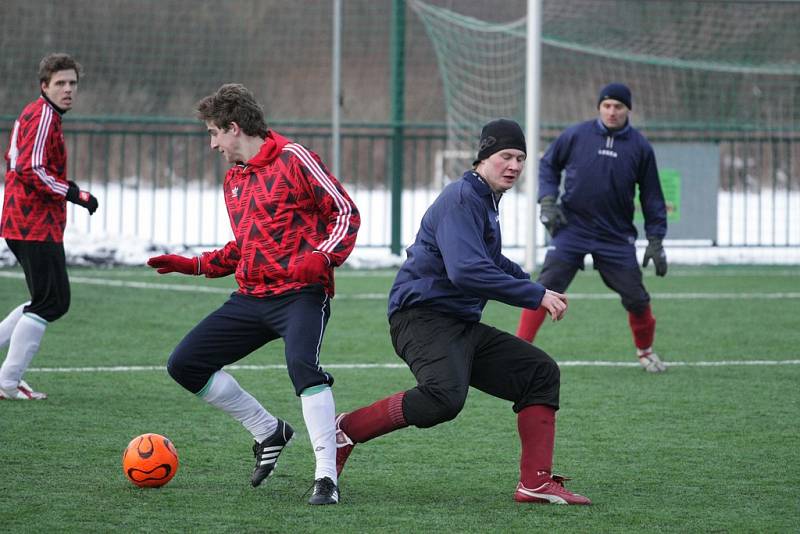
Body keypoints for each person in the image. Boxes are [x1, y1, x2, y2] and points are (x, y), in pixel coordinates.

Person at [334, 119, 591, 505]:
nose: (515, 165)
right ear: (484, 157)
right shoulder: (461, 198)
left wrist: (535, 286)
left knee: (539, 373)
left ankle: (535, 483)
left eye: (520, 158)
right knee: (444, 398)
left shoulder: (483, 201)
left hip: (459, 323)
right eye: (506, 155)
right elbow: (467, 270)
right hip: (420, 317)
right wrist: (533, 296)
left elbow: (489, 259)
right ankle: (345, 430)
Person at [146, 84, 359, 505]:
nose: (213, 144)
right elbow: (246, 246)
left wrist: (323, 257)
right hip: (251, 297)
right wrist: (195, 265)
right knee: (185, 364)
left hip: (301, 294)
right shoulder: (234, 180)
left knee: (303, 368)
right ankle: (268, 431)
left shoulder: (294, 159)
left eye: (214, 133)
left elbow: (345, 211)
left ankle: (326, 478)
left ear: (234, 127)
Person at [516, 83, 668, 372]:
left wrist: (656, 239)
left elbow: (652, 197)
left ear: (628, 110)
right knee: (543, 288)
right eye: (607, 105)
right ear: (599, 107)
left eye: (618, 107)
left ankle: (646, 352)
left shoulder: (640, 147)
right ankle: (517, 351)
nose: (612, 112)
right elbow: (548, 166)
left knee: (637, 298)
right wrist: (548, 200)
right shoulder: (576, 135)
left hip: (615, 235)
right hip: (572, 228)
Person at [0, 53, 98, 400]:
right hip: (31, 224)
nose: (68, 89)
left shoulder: (42, 114)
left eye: (72, 83)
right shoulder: (42, 114)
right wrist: (74, 192)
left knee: (45, 300)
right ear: (45, 86)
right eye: (60, 83)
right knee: (52, 302)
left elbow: (16, 161)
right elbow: (29, 168)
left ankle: (7, 380)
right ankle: (7, 382)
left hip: (27, 222)